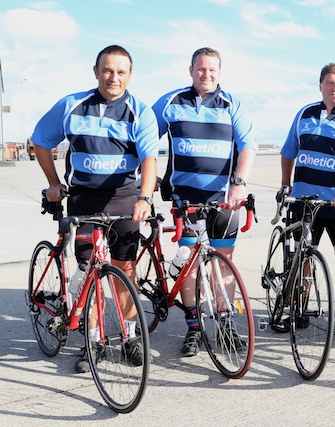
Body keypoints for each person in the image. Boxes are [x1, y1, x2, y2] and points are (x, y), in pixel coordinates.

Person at [32, 45, 159, 372]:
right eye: (107, 70)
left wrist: (144, 198)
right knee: (89, 273)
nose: (113, 77)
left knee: (125, 271)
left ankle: (130, 335)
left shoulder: (140, 111)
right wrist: (54, 182)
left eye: (120, 71)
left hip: (124, 198)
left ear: (130, 75)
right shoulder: (71, 105)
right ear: (96, 71)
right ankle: (94, 341)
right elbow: (40, 141)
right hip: (84, 201)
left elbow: (149, 159)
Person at [152, 47, 256, 357]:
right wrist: (149, 177)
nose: (206, 75)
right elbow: (144, 140)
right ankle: (194, 326)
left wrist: (238, 185)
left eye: (212, 70)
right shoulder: (171, 103)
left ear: (219, 73)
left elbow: (247, 147)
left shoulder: (232, 105)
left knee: (224, 263)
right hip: (186, 201)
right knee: (191, 265)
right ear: (190, 70)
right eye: (201, 69)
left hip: (224, 201)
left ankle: (224, 325)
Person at [278, 63, 335, 347]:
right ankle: (299, 311)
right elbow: (288, 152)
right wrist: (285, 183)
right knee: (302, 260)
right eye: (330, 83)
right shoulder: (304, 114)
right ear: (321, 86)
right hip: (304, 204)